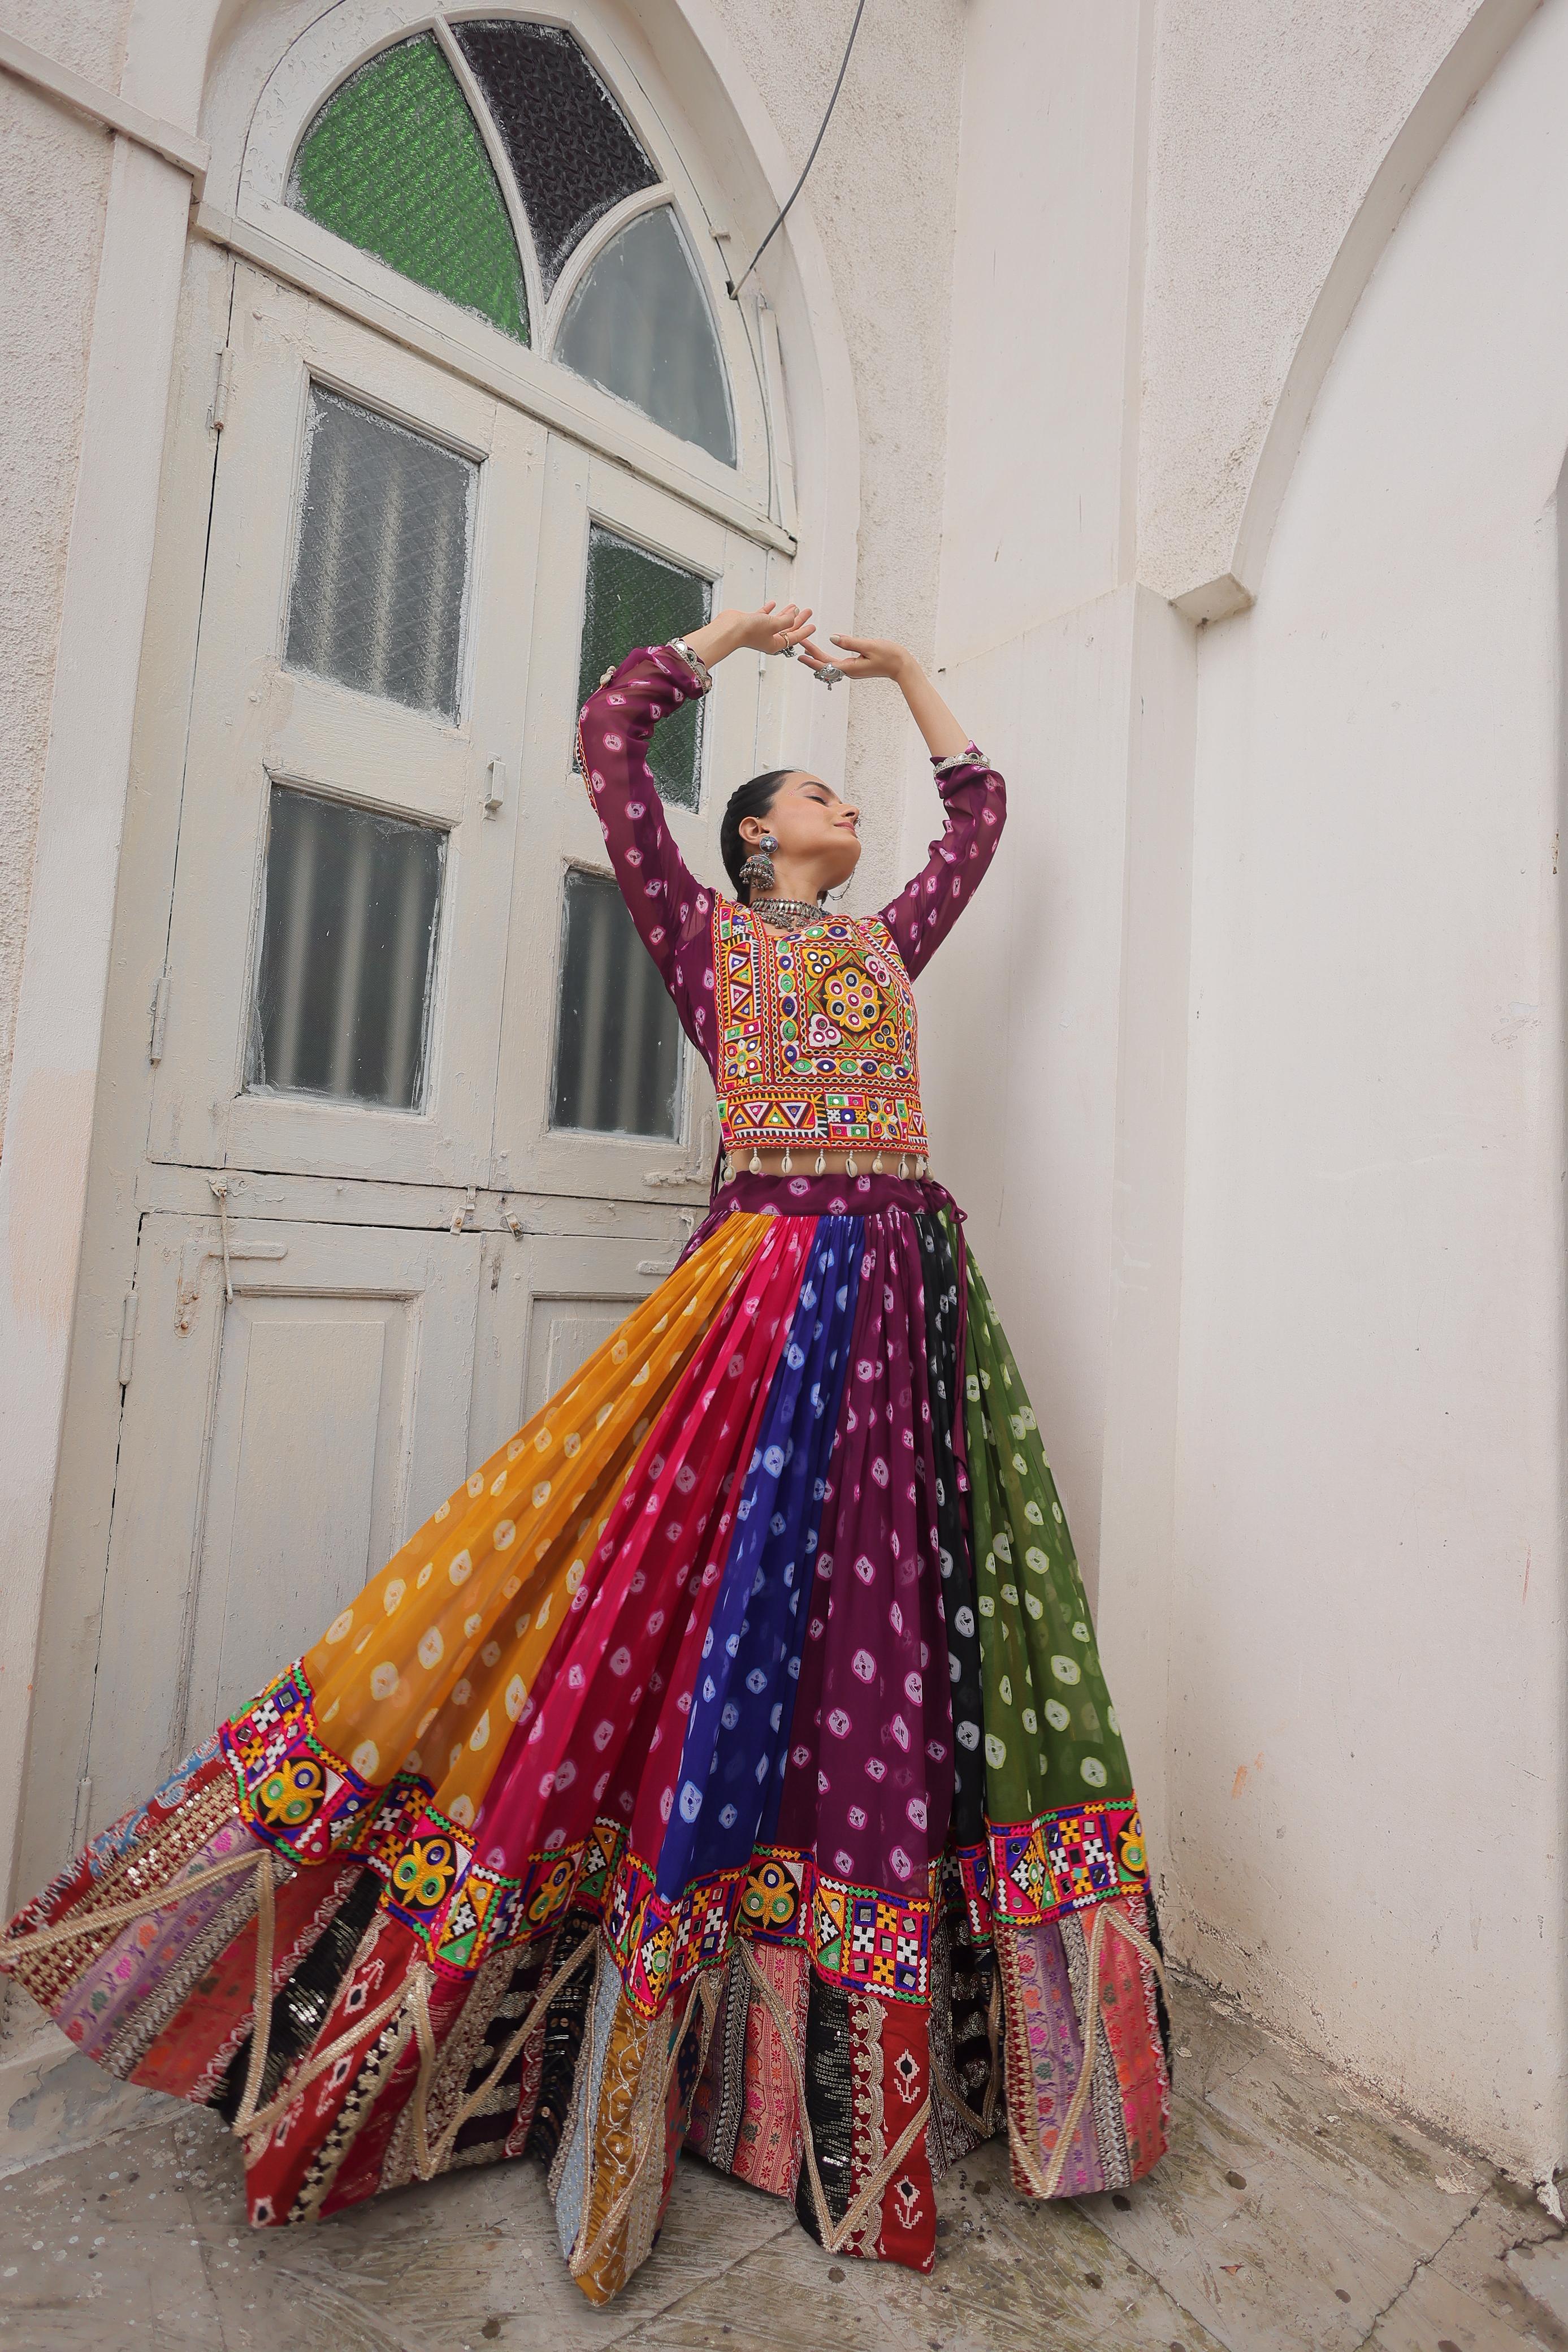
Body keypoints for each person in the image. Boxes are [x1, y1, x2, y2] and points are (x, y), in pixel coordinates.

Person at [1, 603, 1171, 2303]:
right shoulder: (708, 945)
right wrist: (729, 637)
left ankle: (854, 2040)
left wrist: (907, 677)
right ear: (755, 838)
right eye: (816, 796)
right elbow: (610, 741)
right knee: (702, 1610)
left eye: (847, 795)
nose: (846, 808)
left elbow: (978, 815)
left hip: (908, 1314)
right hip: (766, 1310)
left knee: (886, 1627)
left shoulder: (885, 948)